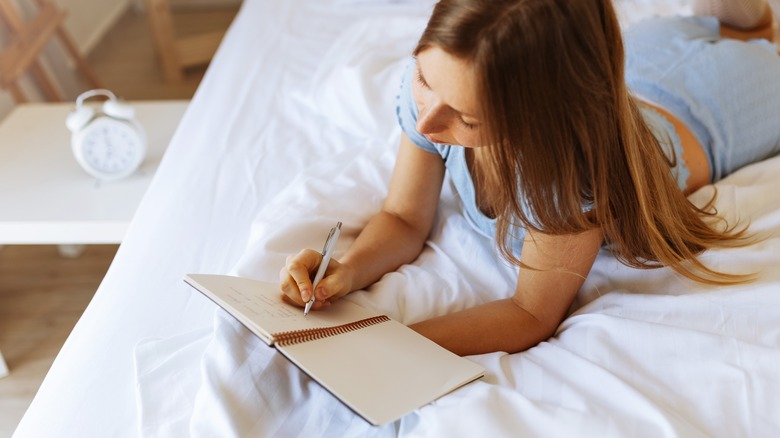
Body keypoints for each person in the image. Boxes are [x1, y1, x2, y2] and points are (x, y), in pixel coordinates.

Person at [280, 0, 780, 356]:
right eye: (424, 79)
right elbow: (403, 217)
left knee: (761, 47)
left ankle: (755, 29)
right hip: (645, 65)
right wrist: (346, 270)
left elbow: (530, 313)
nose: (427, 123)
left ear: (538, 122)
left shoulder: (571, 182)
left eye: (466, 119)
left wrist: (393, 341)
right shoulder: (440, 97)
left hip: (712, 107)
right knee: (713, 25)